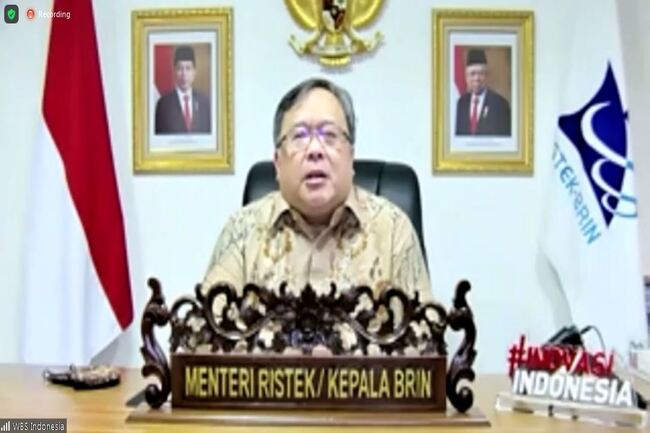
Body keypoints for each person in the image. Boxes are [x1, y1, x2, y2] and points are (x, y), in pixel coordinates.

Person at [202, 78, 432, 304]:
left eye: (329, 135)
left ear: (351, 156)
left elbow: (424, 327)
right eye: (300, 136)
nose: (315, 150)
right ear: (278, 163)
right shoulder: (241, 230)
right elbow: (206, 325)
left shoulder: (393, 231)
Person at [155, 45, 211, 135]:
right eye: (180, 68)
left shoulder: (205, 103)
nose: (184, 74)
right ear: (174, 71)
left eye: (188, 68)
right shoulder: (163, 105)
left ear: (194, 72)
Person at [455, 48, 511, 136]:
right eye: (472, 74)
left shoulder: (500, 105)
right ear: (466, 77)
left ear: (487, 76)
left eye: (481, 73)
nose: (476, 78)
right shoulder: (461, 103)